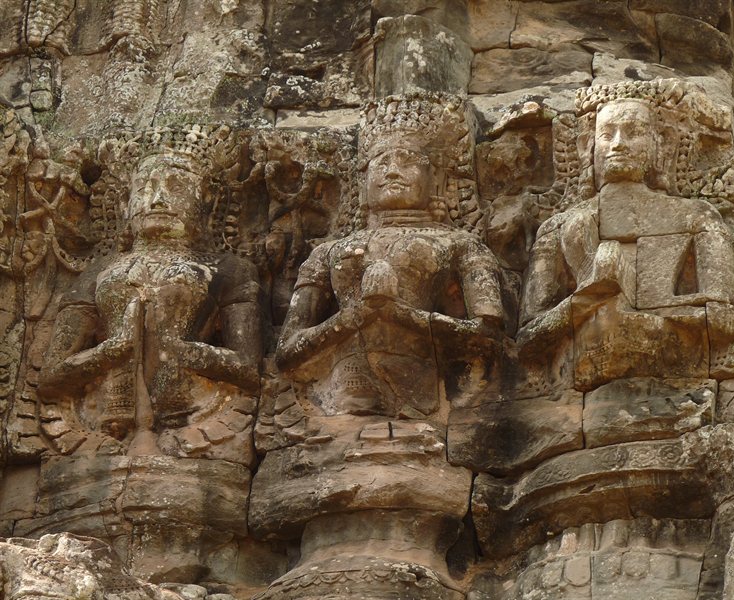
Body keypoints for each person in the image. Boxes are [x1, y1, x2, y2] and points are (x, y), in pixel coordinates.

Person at [38, 126, 262, 460]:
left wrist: (176, 347)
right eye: (144, 187)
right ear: (124, 202)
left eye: (176, 186)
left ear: (207, 201)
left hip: (202, 419)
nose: (158, 198)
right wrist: (115, 348)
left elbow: (248, 369)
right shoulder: (98, 273)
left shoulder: (228, 270)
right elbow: (51, 378)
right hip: (102, 424)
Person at [275, 93, 504, 419]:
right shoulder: (327, 252)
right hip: (339, 401)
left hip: (424, 397)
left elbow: (488, 335)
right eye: (381, 162)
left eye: (408, 161)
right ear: (362, 180)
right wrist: (355, 316)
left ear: (437, 179)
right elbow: (287, 350)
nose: (393, 171)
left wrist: (399, 314)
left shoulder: (460, 245)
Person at [519, 88, 734, 390]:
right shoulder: (557, 227)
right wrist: (585, 303)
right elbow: (528, 337)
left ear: (662, 144)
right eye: (607, 134)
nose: (619, 144)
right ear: (587, 147)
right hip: (579, 365)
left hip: (674, 364)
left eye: (634, 132)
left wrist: (659, 312)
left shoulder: (698, 216)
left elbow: (725, 320)